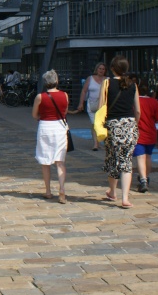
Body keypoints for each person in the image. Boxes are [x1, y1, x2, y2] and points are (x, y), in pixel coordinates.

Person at [100, 55, 141, 209]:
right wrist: (134, 124)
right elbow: (137, 110)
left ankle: (112, 191)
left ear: (112, 68)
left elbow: (101, 106)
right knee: (126, 161)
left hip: (112, 125)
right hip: (129, 125)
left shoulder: (107, 82)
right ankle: (125, 198)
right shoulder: (133, 85)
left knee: (113, 158)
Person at [32, 69, 69, 204]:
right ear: (56, 81)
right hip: (59, 127)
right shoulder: (65, 95)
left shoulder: (40, 97)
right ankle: (62, 189)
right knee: (60, 162)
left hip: (45, 127)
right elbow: (64, 112)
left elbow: (34, 115)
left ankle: (48, 191)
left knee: (45, 161)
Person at [135, 81, 158, 193]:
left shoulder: (136, 101)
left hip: (139, 133)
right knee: (148, 156)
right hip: (151, 133)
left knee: (140, 157)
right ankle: (146, 177)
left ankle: (143, 180)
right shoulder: (153, 102)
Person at [76, 62, 108, 151]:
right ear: (96, 69)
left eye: (103, 69)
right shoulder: (90, 79)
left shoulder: (107, 80)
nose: (101, 70)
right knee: (94, 124)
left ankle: (105, 142)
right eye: (100, 68)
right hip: (92, 104)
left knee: (103, 124)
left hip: (104, 106)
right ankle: (95, 144)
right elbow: (84, 91)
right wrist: (81, 103)